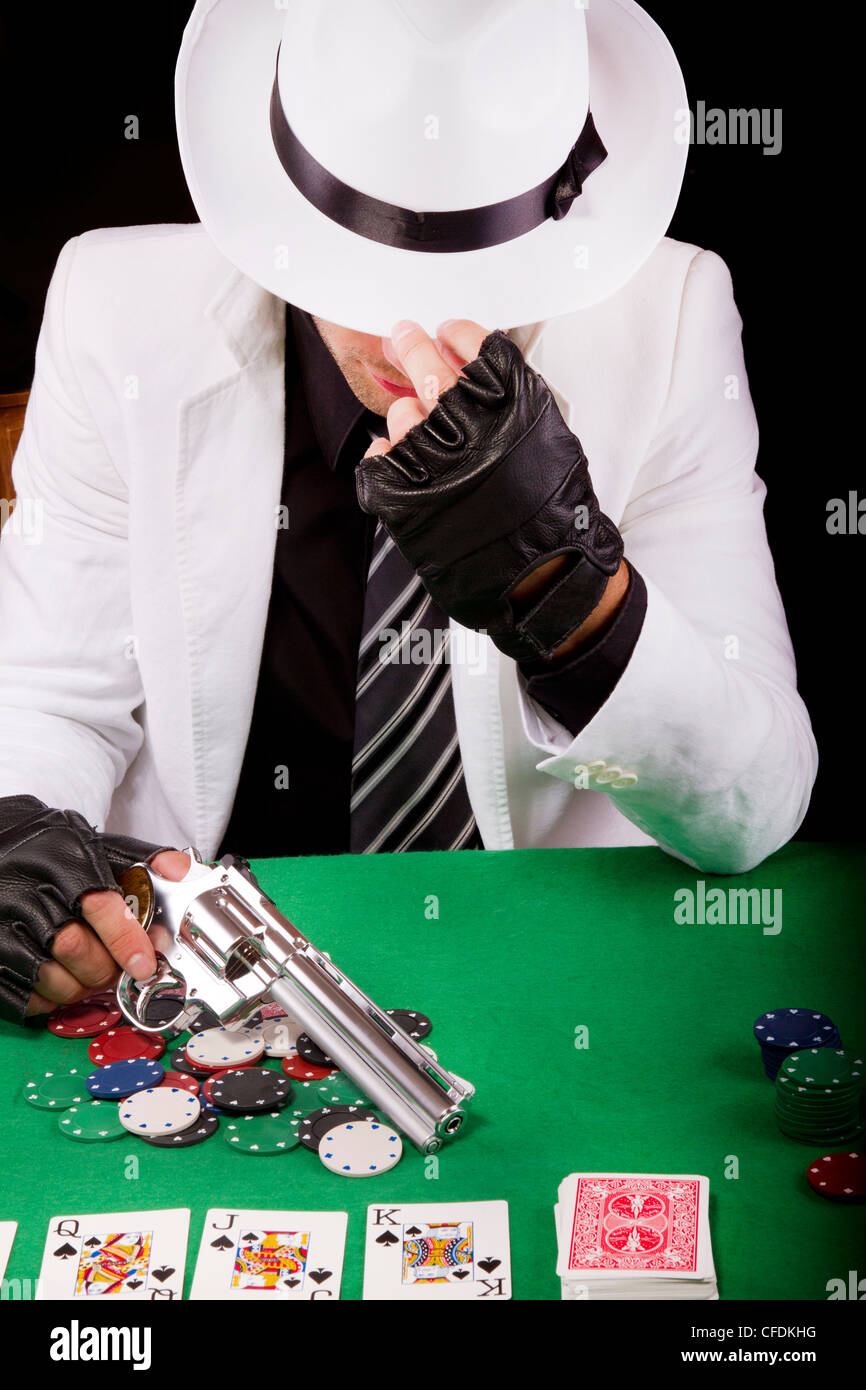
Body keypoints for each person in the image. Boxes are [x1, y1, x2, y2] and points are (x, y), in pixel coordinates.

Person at [0, 0, 816, 1024]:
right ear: (282, 214)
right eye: (366, 269)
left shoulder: (672, 314)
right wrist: (14, 826)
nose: (413, 327)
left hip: (542, 981)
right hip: (204, 983)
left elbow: (754, 805)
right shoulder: (114, 305)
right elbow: (48, 698)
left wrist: (571, 591)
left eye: (475, 273)